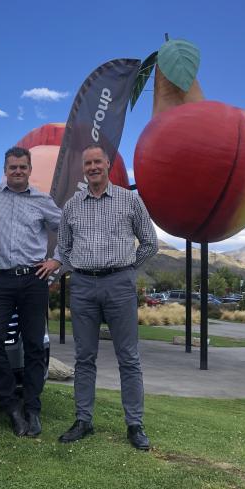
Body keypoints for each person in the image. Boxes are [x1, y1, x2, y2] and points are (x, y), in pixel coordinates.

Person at [57, 144, 158, 449]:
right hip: (84, 286)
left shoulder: (129, 200)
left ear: (108, 164)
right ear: (83, 168)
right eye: (87, 163)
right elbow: (64, 247)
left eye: (97, 162)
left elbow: (150, 243)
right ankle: (83, 420)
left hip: (119, 285)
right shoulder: (72, 206)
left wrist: (126, 271)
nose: (92, 167)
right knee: (84, 357)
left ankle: (135, 425)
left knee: (128, 357)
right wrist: (80, 267)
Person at [0, 146, 61, 437]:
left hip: (34, 280)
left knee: (33, 345)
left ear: (29, 170)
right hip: (0, 280)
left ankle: (32, 408)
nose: (17, 171)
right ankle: (11, 405)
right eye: (12, 167)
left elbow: (68, 230)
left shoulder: (43, 200)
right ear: (5, 170)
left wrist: (58, 261)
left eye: (22, 167)